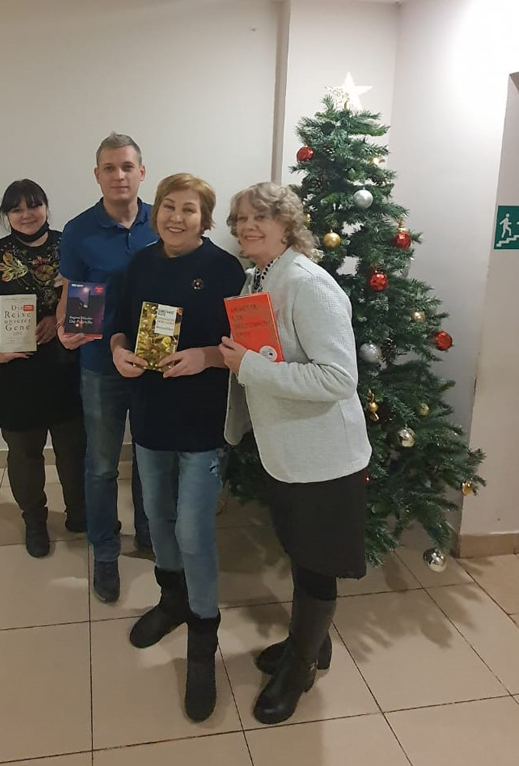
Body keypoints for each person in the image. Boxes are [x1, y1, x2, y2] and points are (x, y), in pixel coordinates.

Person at [220, 182, 372, 725]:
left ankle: (299, 668)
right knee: (302, 552)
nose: (246, 227)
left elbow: (338, 378)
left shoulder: (309, 284)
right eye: (240, 219)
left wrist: (250, 368)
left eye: (259, 217)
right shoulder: (258, 277)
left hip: (324, 457)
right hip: (287, 451)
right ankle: (311, 644)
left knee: (316, 565)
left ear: (286, 224)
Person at [111, 173, 244, 722]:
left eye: (188, 209)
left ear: (204, 219)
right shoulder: (140, 263)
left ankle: (202, 640)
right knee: (157, 517)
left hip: (202, 421)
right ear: (155, 212)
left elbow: (246, 346)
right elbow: (119, 326)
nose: (176, 217)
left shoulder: (226, 270)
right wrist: (118, 351)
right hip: (150, 414)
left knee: (193, 530)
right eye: (168, 206)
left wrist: (205, 357)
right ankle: (172, 601)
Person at [0, 180, 85, 558]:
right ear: (6, 215)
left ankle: (80, 513)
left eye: (34, 205)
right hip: (14, 373)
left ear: (46, 207)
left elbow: (89, 296)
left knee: (74, 449)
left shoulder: (71, 247)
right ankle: (34, 521)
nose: (27, 214)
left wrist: (58, 321)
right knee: (24, 453)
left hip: (67, 367)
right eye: (17, 208)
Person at [57, 132, 157, 603]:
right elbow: (71, 293)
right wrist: (65, 327)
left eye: (127, 166)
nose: (119, 175)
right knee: (100, 466)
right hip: (100, 363)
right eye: (110, 168)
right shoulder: (78, 230)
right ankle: (105, 551)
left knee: (150, 457)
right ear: (97, 175)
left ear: (142, 172)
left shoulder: (165, 220)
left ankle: (150, 534)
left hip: (156, 361)